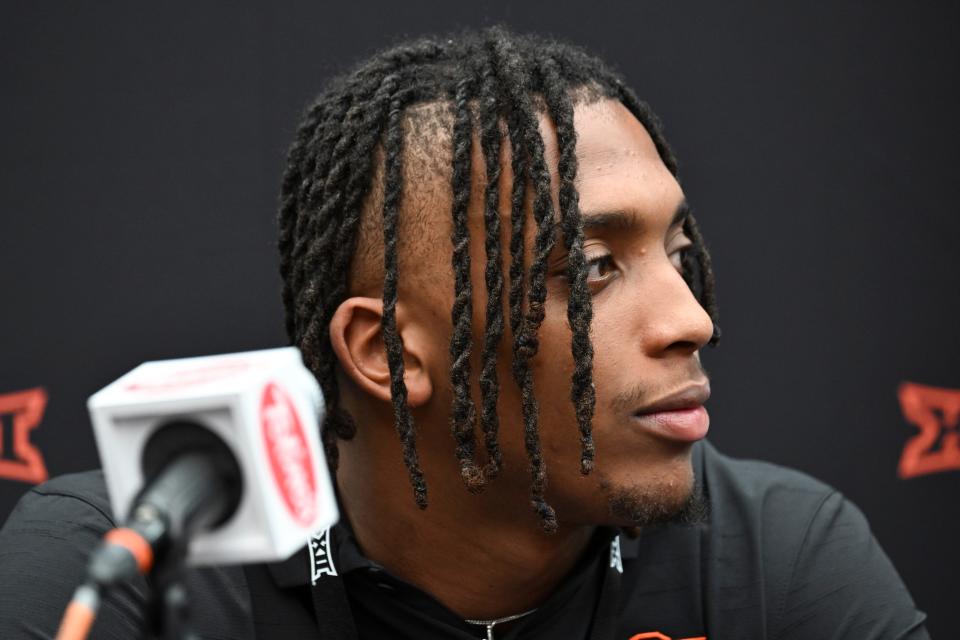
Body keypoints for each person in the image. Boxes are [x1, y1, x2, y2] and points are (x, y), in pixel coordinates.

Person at [0, 28, 929, 639]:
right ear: (387, 354)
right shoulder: (121, 566)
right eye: (593, 270)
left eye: (677, 252)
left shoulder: (782, 559)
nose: (693, 319)